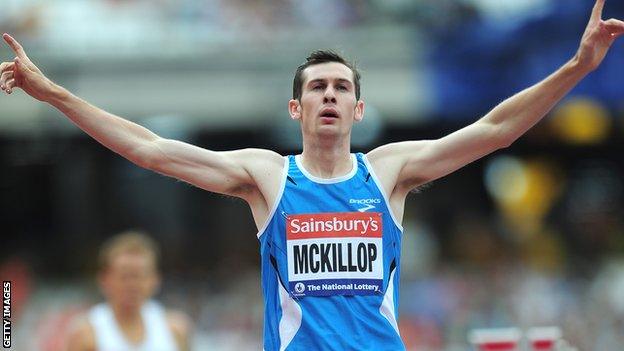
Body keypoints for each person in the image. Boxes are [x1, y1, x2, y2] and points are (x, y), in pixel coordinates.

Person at [1, 1, 623, 349]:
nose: (330, 95)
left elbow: (494, 129)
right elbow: (149, 147)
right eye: (318, 87)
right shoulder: (268, 177)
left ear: (357, 107)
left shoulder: (389, 172)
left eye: (342, 88)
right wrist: (54, 93)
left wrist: (575, 67)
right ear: (296, 108)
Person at [65, 231, 191, 351]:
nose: (133, 285)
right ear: (104, 280)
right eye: (125, 276)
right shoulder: (86, 334)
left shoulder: (175, 330)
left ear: (155, 280)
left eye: (140, 276)